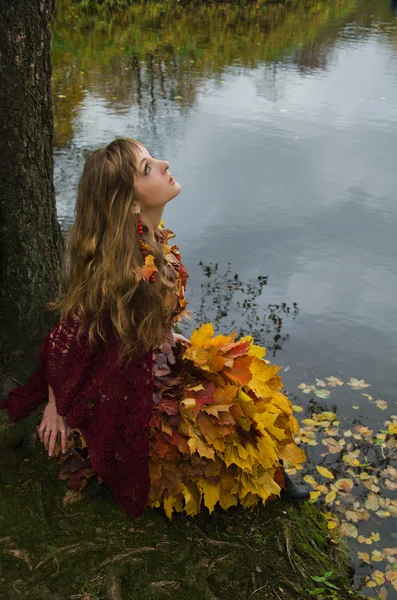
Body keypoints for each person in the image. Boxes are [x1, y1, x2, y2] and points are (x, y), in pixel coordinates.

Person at [0, 137, 309, 519]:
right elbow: (67, 341)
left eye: (152, 158)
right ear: (130, 202)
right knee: (216, 430)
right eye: (147, 167)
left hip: (156, 359)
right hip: (137, 390)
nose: (163, 164)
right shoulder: (119, 271)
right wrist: (54, 404)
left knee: (245, 388)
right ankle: (251, 481)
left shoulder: (155, 240)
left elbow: (147, 317)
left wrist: (164, 336)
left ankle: (274, 471)